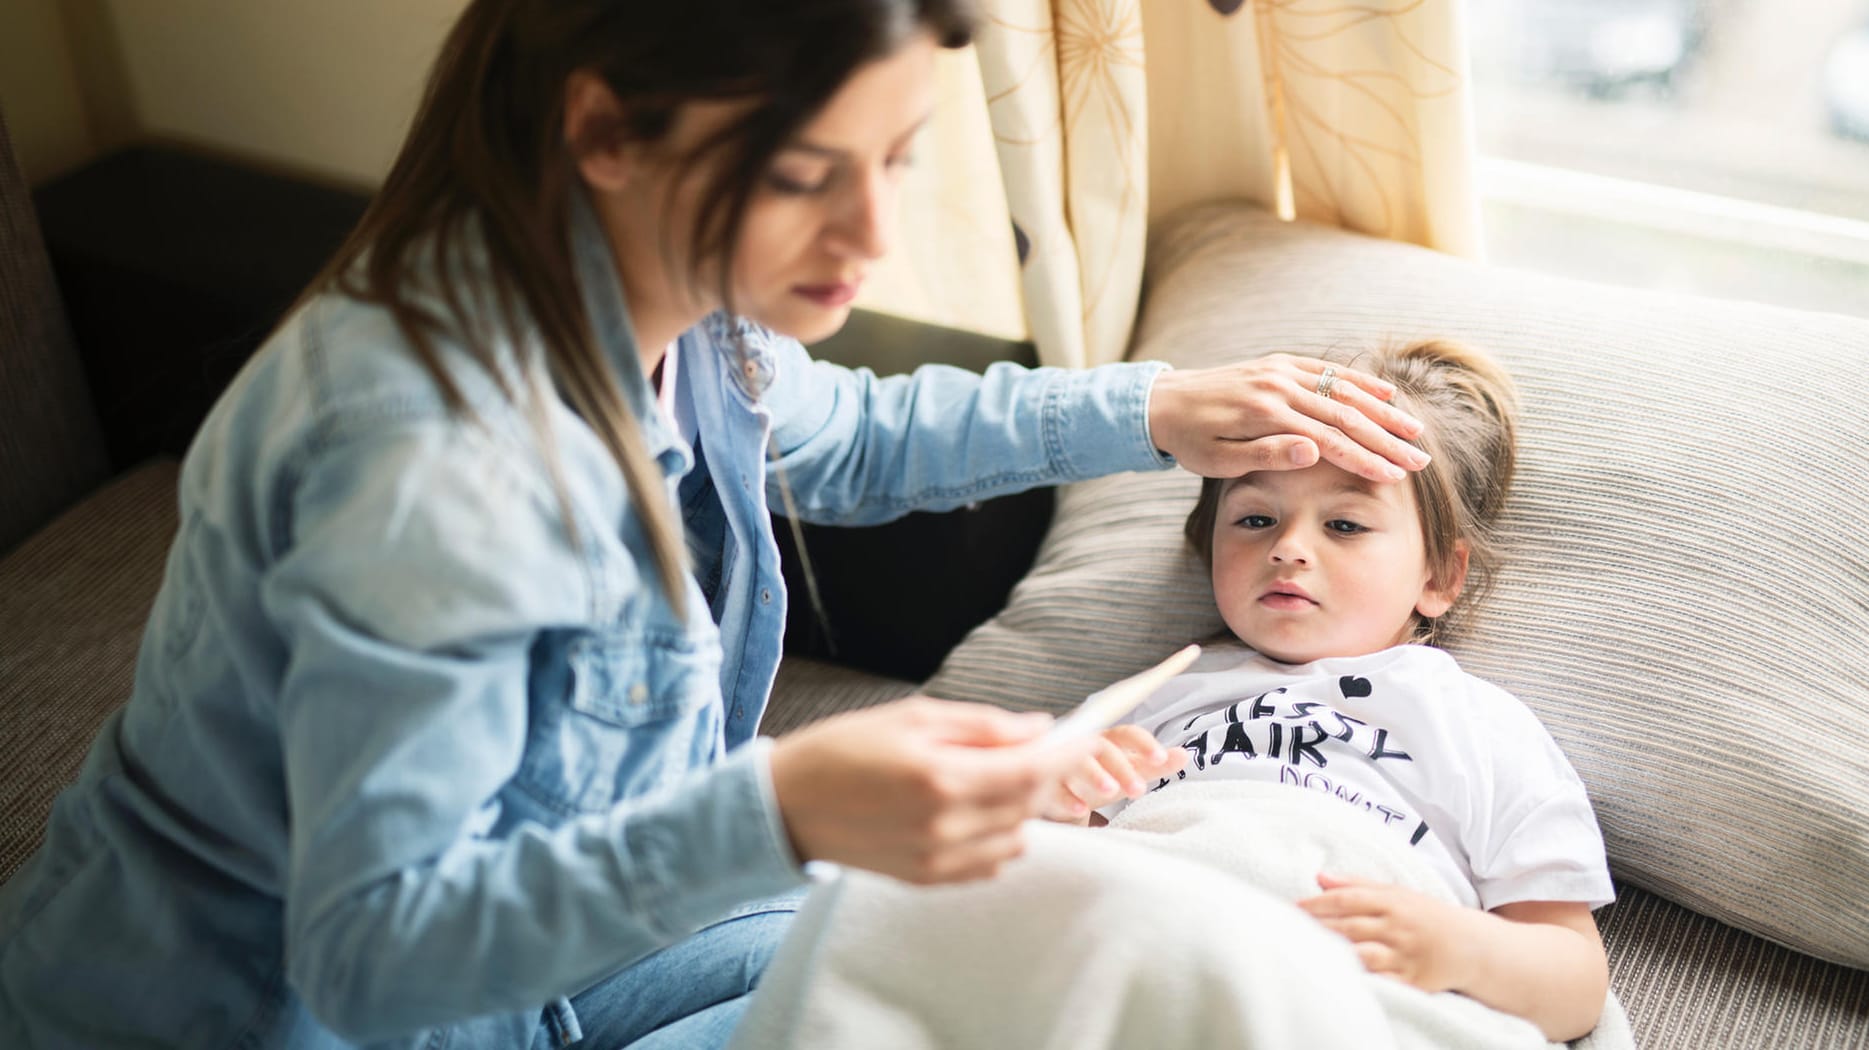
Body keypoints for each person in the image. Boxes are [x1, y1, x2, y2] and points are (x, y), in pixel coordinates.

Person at [0, 2, 1431, 1048]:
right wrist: (788, 806)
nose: (868, 237)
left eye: (898, 159)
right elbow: (375, 953)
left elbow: (860, 439)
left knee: (1071, 933)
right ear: (607, 129)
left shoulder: (680, 317)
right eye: (809, 175)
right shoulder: (431, 465)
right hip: (295, 1013)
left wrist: (1156, 407)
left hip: (554, 955)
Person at [1049, 339, 1614, 1043]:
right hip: (1155, 932)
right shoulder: (1160, 692)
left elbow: (1574, 983)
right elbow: (1060, 865)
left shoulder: (1481, 727)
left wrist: (1457, 948)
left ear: (1438, 576)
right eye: (1254, 519)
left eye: (1344, 524)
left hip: (1341, 976)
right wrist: (1062, 810)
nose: (1287, 548)